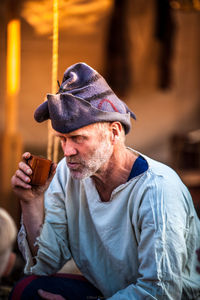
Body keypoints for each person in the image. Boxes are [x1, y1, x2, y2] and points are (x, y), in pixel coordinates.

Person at [11, 62, 200, 299]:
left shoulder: (158, 190)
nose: (67, 150)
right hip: (108, 291)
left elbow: (159, 291)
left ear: (114, 132)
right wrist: (31, 202)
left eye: (78, 138)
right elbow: (47, 262)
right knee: (26, 290)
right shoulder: (66, 173)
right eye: (62, 139)